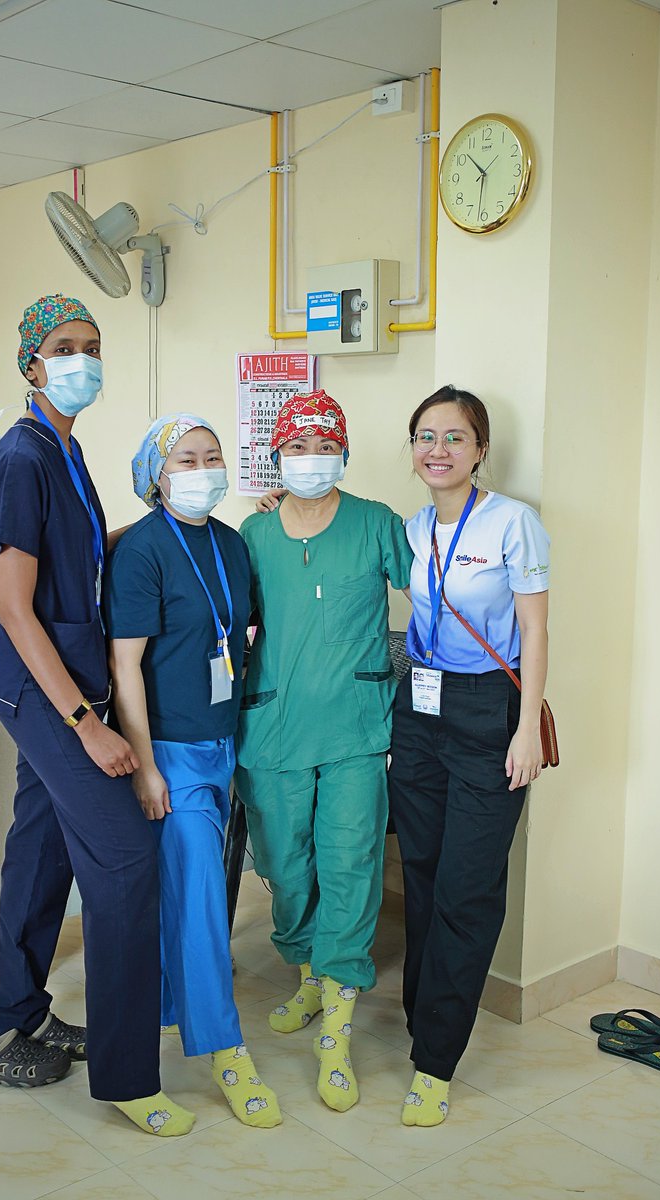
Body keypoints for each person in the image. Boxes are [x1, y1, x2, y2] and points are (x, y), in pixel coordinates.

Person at [0, 295, 194, 1138]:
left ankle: (18, 1018)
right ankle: (128, 1075)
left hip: (58, 680)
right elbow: (15, 608)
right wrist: (87, 721)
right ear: (31, 363)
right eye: (64, 346)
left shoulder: (65, 446)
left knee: (42, 848)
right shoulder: (22, 457)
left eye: (92, 345)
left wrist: (164, 519)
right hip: (46, 690)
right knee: (125, 859)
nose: (82, 359)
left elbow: (79, 559)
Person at [235, 389, 413, 1112]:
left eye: (324, 446)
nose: (311, 459)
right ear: (277, 455)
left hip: (355, 729)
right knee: (283, 863)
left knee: (350, 862)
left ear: (344, 453)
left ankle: (337, 1022)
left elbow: (437, 595)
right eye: (297, 447)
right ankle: (307, 972)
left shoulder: (377, 523)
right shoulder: (253, 533)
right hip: (273, 725)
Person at [104, 414, 281, 1129]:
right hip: (171, 752)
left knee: (188, 890)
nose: (204, 469)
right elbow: (125, 668)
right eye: (186, 459)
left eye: (212, 457)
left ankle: (170, 1007)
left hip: (224, 739)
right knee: (205, 896)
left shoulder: (233, 543)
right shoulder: (142, 551)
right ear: (157, 475)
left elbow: (243, 631)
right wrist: (145, 766)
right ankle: (224, 1047)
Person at [389, 385, 550, 1127]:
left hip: (491, 709)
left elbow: (535, 630)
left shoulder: (513, 522)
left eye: (455, 437)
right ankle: (420, 1015)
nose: (439, 450)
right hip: (420, 707)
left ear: (481, 449)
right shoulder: (412, 528)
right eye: (426, 436)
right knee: (420, 873)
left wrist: (526, 728)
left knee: (468, 886)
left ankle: (436, 1060)